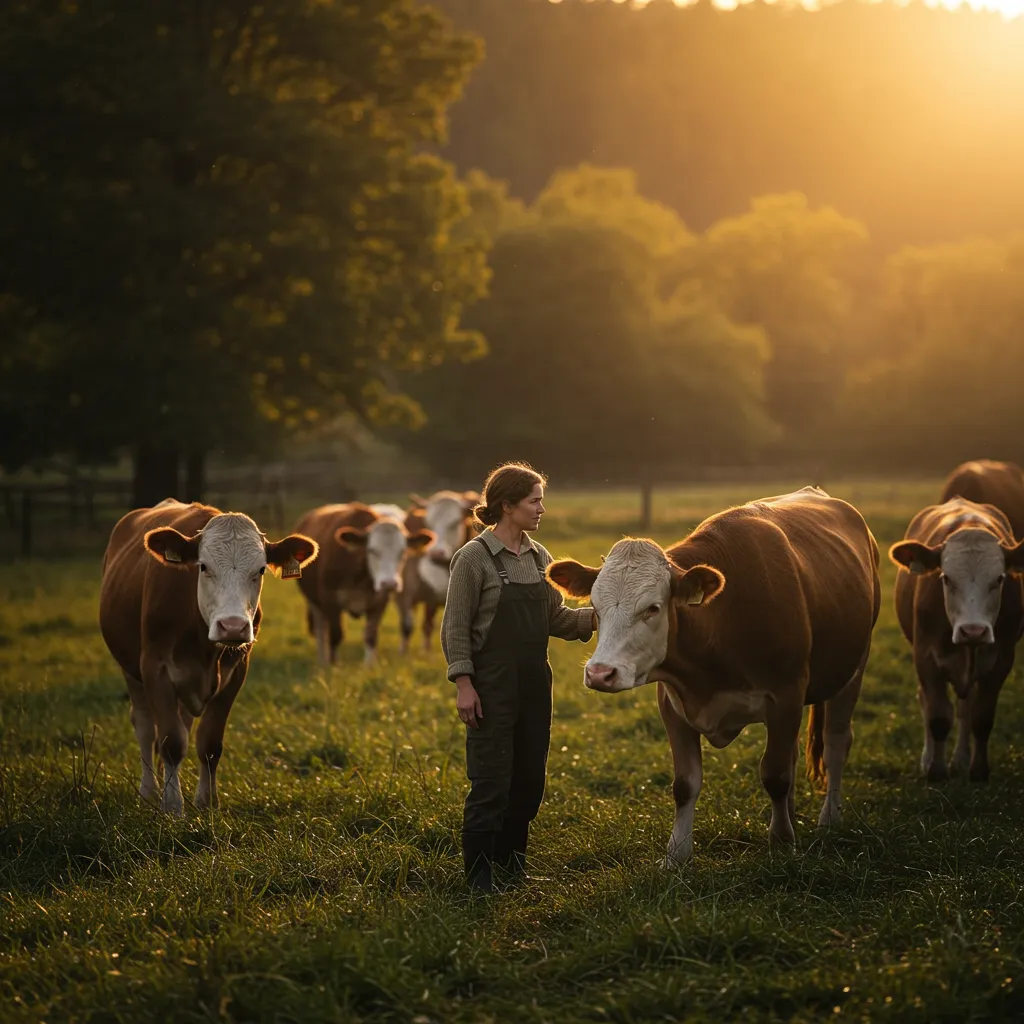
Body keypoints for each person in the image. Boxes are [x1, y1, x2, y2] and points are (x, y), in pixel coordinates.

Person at [441, 462, 597, 892]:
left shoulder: (539, 556)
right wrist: (464, 684)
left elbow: (556, 618)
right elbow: (454, 627)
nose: (541, 508)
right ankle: (478, 876)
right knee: (491, 779)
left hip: (534, 681)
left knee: (528, 780)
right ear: (507, 505)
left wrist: (603, 615)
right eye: (534, 500)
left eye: (541, 499)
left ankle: (513, 866)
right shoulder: (473, 558)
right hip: (489, 684)